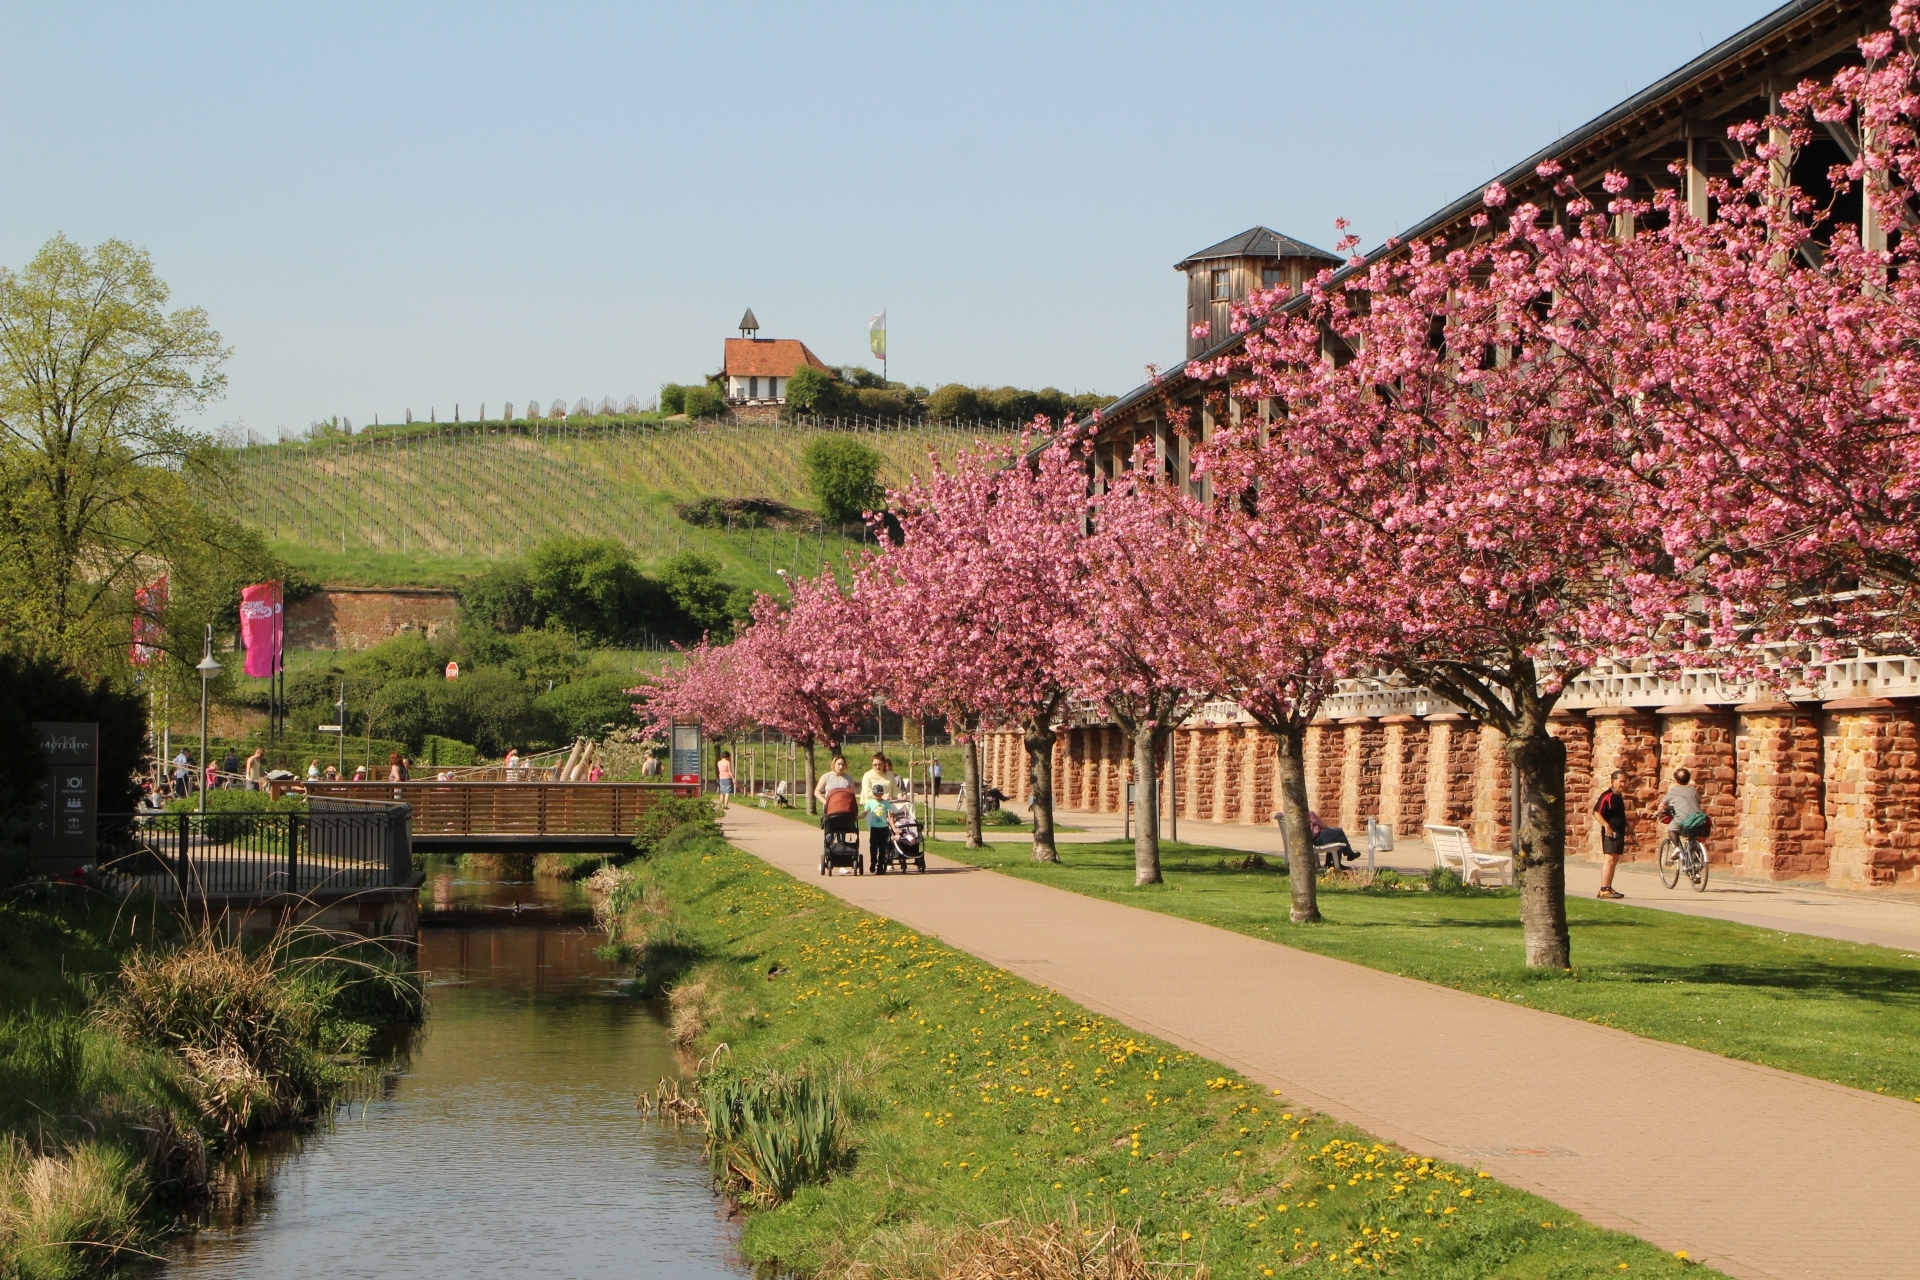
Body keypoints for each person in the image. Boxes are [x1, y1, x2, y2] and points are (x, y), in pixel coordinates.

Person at [1593, 769, 1630, 900]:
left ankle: (1608, 887)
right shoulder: (1607, 796)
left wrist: (1628, 827)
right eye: (1621, 781)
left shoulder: (1618, 796)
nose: (1624, 784)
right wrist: (1607, 826)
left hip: (1619, 831)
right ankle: (1604, 889)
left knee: (1614, 860)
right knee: (1609, 860)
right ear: (1613, 781)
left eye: (1625, 782)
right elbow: (1597, 813)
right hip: (1611, 832)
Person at [1663, 767, 1707, 844]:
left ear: (1676, 780)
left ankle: (1677, 849)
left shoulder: (1673, 791)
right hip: (1699, 819)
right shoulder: (1693, 789)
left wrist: (1657, 812)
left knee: (1671, 829)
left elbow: (1662, 806)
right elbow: (1698, 801)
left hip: (1684, 820)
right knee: (1693, 835)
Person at [864, 783, 895, 872]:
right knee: (873, 847)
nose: (878, 796)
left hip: (884, 828)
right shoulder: (870, 803)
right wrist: (857, 817)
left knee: (883, 848)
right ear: (873, 794)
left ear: (882, 794)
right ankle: (873, 862)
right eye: (876, 794)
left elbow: (890, 817)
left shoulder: (886, 803)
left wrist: (894, 828)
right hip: (874, 828)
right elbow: (865, 813)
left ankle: (880, 866)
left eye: (879, 794)